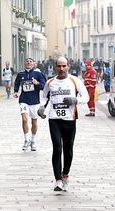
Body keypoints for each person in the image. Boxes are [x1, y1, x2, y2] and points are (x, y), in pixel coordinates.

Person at [37, 56, 89, 191]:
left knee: (68, 150)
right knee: (57, 148)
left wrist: (75, 100)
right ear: (55, 67)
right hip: (54, 119)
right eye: (59, 66)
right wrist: (42, 107)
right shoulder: (50, 82)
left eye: (64, 66)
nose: (61, 69)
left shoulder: (74, 81)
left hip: (69, 119)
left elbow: (86, 97)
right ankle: (58, 181)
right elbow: (44, 96)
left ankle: (65, 174)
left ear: (68, 67)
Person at [14, 57, 47, 151]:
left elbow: (44, 86)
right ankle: (26, 139)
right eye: (27, 61)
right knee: (24, 119)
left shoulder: (38, 74)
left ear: (34, 64)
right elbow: (16, 83)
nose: (28, 63)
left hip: (34, 101)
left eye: (30, 61)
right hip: (24, 100)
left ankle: (33, 140)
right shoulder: (20, 74)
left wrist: (37, 83)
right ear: (25, 63)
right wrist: (16, 91)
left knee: (34, 122)